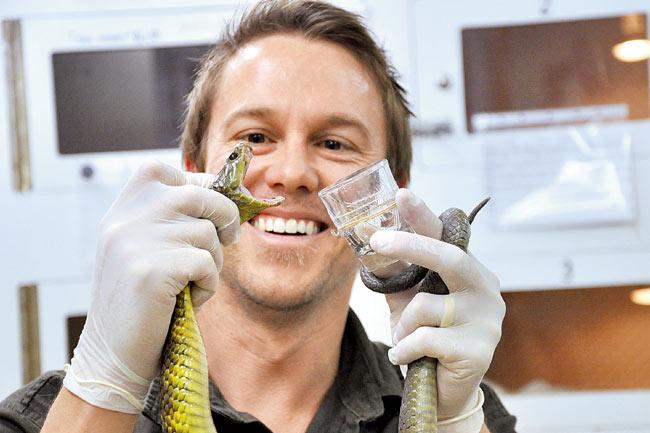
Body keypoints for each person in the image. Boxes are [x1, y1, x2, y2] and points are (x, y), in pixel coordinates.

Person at [0, 1, 514, 432]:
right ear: (193, 173)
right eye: (254, 138)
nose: (291, 173)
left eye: (334, 143)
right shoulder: (45, 417)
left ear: (392, 192)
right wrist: (103, 385)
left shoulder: (466, 410)